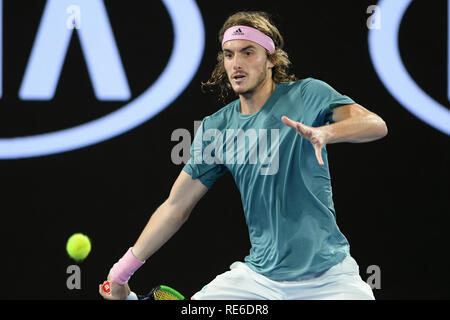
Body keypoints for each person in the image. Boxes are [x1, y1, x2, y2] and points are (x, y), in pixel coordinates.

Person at [99, 11, 387, 300]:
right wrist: (120, 273)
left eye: (248, 52)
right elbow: (176, 206)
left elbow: (376, 125)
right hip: (258, 282)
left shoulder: (308, 94)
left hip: (331, 279)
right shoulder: (217, 128)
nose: (236, 64)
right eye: (229, 54)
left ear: (272, 58)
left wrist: (327, 132)